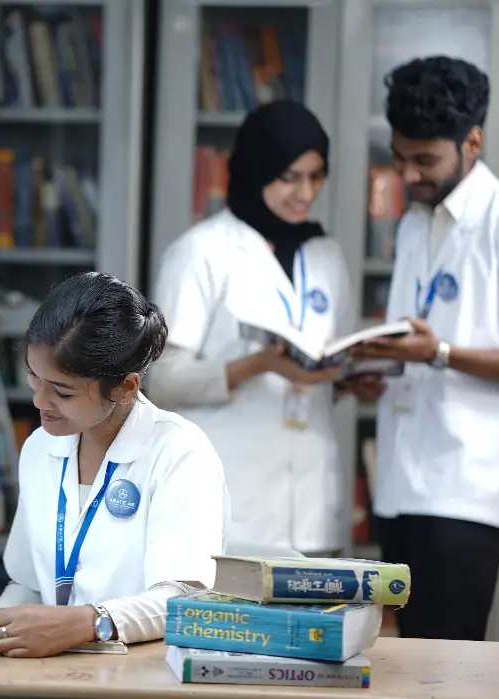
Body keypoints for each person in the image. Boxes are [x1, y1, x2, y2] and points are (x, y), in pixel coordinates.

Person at [352, 56, 499, 641]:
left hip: (472, 485)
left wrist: (440, 353)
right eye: (400, 158)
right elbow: (421, 337)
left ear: (472, 141)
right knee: (394, 654)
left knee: (443, 661)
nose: (408, 175)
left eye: (425, 160)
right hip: (403, 477)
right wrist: (374, 366)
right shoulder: (413, 224)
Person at [0, 272, 229, 657]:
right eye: (34, 379)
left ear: (125, 387)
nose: (40, 402)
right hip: (50, 669)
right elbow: (32, 585)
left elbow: (183, 601)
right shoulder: (41, 446)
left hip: (143, 673)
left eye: (62, 392)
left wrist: (89, 623)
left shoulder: (179, 453)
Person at [146, 100, 379, 558]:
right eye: (289, 177)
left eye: (315, 176)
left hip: (313, 502)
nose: (304, 192)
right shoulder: (201, 251)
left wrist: (352, 380)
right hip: (235, 502)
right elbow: (160, 379)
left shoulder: (326, 256)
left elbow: (333, 359)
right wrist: (256, 365)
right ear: (256, 169)